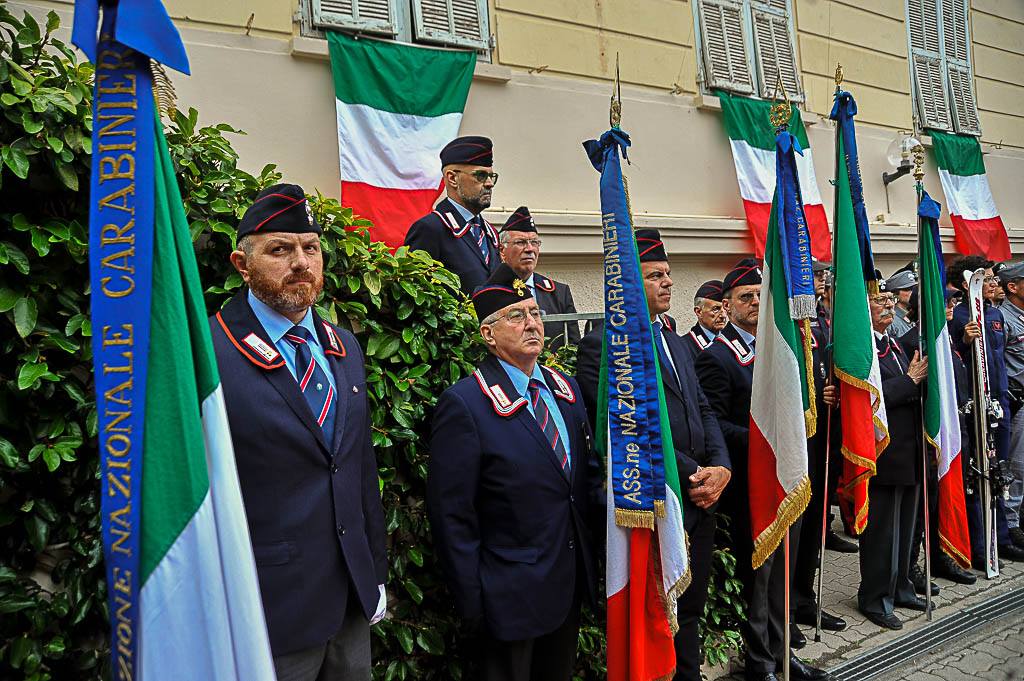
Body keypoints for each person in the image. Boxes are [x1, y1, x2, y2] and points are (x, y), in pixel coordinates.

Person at [210, 184, 387, 680]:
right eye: (280, 250)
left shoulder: (343, 346)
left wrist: (375, 570)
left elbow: (358, 468)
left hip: (350, 598)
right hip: (267, 607)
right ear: (242, 265)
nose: (301, 263)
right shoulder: (209, 352)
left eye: (311, 248)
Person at [427, 263, 597, 681]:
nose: (532, 324)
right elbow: (452, 515)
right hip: (507, 597)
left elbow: (584, 477)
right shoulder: (466, 404)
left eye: (535, 313)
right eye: (516, 316)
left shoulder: (566, 389)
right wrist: (474, 601)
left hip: (568, 584)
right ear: (488, 334)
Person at [575, 230, 731, 681]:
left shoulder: (675, 340)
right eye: (655, 275)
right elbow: (623, 428)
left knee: (691, 608)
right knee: (656, 615)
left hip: (700, 498)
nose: (668, 282)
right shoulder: (605, 346)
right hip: (657, 499)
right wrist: (696, 472)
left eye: (668, 274)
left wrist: (721, 466)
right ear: (626, 283)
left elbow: (703, 407)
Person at [695, 262, 829, 681]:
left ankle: (784, 652)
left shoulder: (781, 352)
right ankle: (760, 662)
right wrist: (762, 440)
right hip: (750, 485)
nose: (755, 302)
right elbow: (713, 424)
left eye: (760, 295)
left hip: (786, 477)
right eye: (745, 297)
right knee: (759, 577)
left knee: (783, 574)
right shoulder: (717, 357)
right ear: (726, 306)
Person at [857, 285, 928, 630]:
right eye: (878, 301)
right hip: (882, 454)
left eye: (889, 300)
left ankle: (900, 587)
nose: (888, 305)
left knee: (905, 529)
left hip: (907, 451)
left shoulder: (893, 342)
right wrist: (910, 381)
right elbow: (868, 398)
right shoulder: (862, 349)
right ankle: (875, 597)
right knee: (882, 534)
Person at [947, 256, 1024, 564]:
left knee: (1000, 472)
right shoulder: (958, 315)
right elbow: (953, 360)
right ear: (969, 284)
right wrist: (964, 340)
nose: (994, 284)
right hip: (973, 404)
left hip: (999, 400)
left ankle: (1002, 538)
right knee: (977, 475)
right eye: (988, 279)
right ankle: (980, 545)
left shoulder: (993, 313)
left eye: (993, 278)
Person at [899, 289, 977, 588]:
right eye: (945, 301)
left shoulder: (946, 338)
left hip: (955, 429)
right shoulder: (912, 342)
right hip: (929, 436)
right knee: (925, 506)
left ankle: (942, 555)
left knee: (944, 498)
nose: (951, 306)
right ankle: (912, 566)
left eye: (953, 301)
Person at [405, 136, 500, 295]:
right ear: (453, 178)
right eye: (481, 176)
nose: (489, 183)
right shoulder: (430, 229)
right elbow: (416, 296)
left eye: (492, 176)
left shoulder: (490, 233)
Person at [499, 206, 581, 349]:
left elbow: (573, 346)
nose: (529, 249)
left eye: (534, 242)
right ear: (502, 251)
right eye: (520, 242)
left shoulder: (559, 293)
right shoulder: (491, 291)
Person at [998, 261, 1024, 549]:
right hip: (1016, 401)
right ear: (1012, 287)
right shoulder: (1003, 317)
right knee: (1017, 465)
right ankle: (1011, 524)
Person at [680, 279, 726, 363]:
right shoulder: (683, 346)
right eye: (716, 309)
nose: (723, 316)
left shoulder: (731, 340)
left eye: (725, 309)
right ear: (699, 312)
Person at [884, 268, 918, 340]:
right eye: (908, 289)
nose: (913, 292)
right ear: (896, 294)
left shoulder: (915, 316)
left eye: (914, 288)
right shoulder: (890, 320)